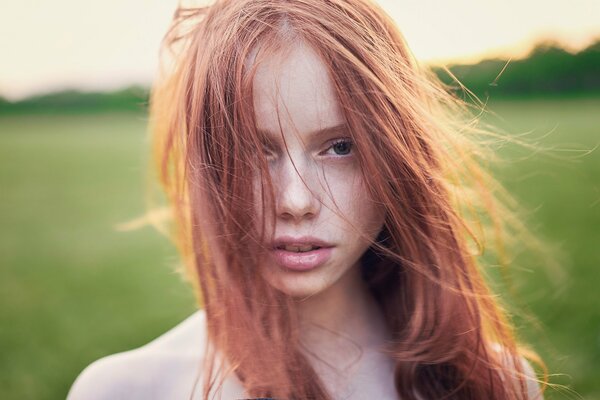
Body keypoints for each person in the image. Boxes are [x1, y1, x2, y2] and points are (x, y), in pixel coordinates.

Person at [68, 0, 546, 399]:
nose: (295, 201)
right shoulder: (127, 390)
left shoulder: (497, 383)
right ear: (204, 164)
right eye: (251, 151)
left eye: (341, 147)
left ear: (398, 157)